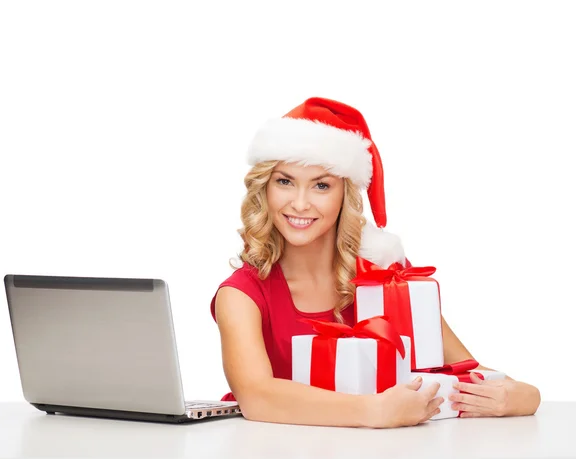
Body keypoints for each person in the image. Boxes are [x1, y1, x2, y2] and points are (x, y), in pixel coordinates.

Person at [210, 97, 541, 428]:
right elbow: (256, 396)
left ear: (346, 194)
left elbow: (466, 371)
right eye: (285, 181)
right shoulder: (242, 294)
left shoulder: (388, 277)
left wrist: (524, 396)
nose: (299, 203)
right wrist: (373, 411)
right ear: (264, 188)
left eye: (321, 185)